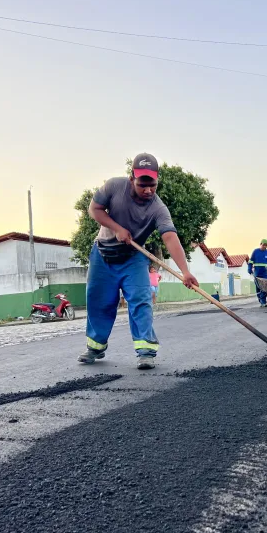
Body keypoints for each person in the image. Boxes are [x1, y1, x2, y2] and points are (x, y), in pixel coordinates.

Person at [78, 153, 199, 370]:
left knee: (141, 302)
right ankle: (95, 347)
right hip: (103, 254)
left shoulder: (158, 209)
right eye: (143, 184)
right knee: (99, 301)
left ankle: (146, 351)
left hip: (133, 258)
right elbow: (94, 209)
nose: (148, 190)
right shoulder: (113, 187)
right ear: (131, 178)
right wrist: (117, 229)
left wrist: (185, 271)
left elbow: (170, 237)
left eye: (152, 185)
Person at [248, 239, 267, 308]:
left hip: (265, 273)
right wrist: (249, 268)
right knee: (258, 288)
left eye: (266, 245)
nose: (265, 246)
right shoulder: (255, 252)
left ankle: (263, 302)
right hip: (257, 272)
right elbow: (251, 261)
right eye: (264, 245)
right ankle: (260, 300)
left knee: (264, 287)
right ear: (260, 244)